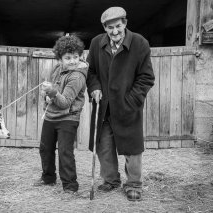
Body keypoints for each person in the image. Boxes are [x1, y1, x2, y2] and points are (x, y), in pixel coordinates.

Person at [86, 7, 155, 201]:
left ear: (125, 23)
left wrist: (131, 101)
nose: (114, 31)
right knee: (104, 144)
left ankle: (133, 184)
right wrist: (94, 87)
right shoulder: (96, 43)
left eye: (118, 26)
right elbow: (90, 71)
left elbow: (146, 77)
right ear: (104, 28)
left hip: (127, 104)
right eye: (110, 28)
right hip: (104, 105)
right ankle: (110, 180)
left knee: (132, 147)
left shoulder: (140, 43)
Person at [34, 35, 88, 194]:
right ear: (60, 58)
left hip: (68, 118)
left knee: (65, 151)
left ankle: (70, 186)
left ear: (80, 56)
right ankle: (48, 177)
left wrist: (51, 92)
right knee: (45, 148)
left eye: (76, 57)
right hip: (51, 116)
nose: (72, 61)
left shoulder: (77, 76)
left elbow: (65, 102)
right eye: (68, 58)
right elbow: (50, 92)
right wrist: (45, 94)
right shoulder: (57, 69)